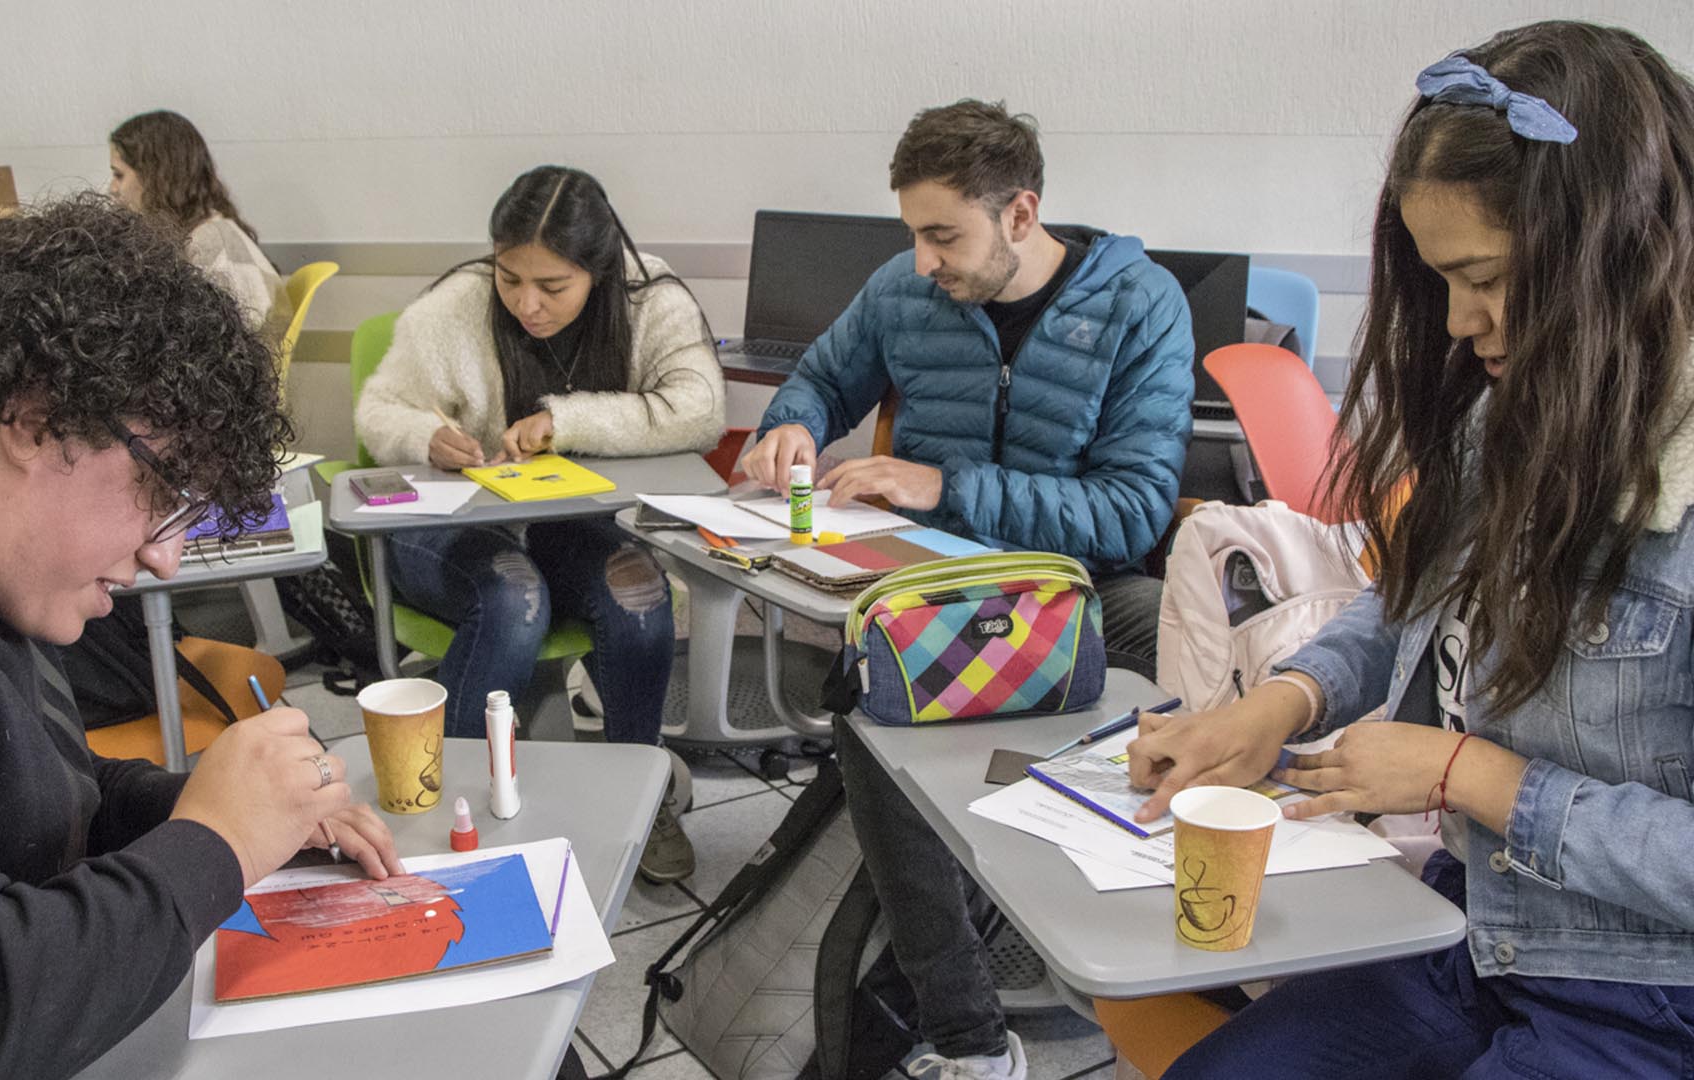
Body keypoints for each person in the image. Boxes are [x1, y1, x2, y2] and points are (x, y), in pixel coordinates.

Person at [1130, 21, 1694, 1079]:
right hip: (1474, 938)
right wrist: (1278, 705)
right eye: (1439, 279)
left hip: (1650, 996)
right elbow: (1414, 602)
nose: (1456, 322)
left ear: (1614, 249)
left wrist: (1469, 773)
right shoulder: (1513, 414)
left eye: (1483, 276)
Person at [0, 196, 399, 1080]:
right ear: (35, 420)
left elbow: (21, 792)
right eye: (165, 492)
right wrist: (213, 847)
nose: (165, 558)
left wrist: (230, 809)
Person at [741, 100, 1195, 1079]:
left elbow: (1132, 515)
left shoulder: (1140, 303)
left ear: (1021, 215)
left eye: (943, 235)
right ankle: (967, 1035)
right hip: (936, 594)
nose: (922, 262)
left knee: (1172, 641)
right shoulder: (904, 292)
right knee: (872, 704)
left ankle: (1152, 956)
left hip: (1078, 598)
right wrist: (791, 424)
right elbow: (821, 380)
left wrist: (948, 487)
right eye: (913, 232)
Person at [353, 165, 724, 883]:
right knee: (513, 600)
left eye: (552, 287)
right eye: (509, 276)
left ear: (601, 270)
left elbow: (701, 409)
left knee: (640, 599)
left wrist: (568, 420)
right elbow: (379, 409)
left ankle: (641, 799)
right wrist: (425, 438)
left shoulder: (652, 300)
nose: (527, 303)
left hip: (560, 522)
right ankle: (452, 805)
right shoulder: (457, 305)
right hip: (446, 527)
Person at [109, 109, 292, 340]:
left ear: (155, 177)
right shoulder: (205, 233)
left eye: (119, 175)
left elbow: (231, 343)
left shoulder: (211, 242)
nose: (112, 189)